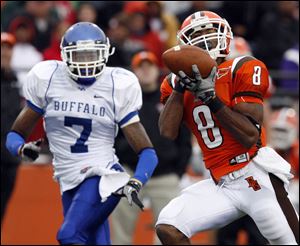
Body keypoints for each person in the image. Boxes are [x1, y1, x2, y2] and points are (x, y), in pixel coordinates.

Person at [5, 22, 158, 245]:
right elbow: (15, 134)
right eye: (80, 56)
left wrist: (136, 181)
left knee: (69, 235)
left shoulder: (116, 84)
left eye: (92, 55)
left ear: (106, 53)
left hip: (103, 176)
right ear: (65, 55)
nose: (87, 62)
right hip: (68, 178)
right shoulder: (48, 79)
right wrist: (21, 148)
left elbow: (147, 152)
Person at [155, 11, 299, 245]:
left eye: (209, 31)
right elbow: (167, 133)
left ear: (224, 35)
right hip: (219, 182)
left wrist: (211, 98)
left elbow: (249, 136)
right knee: (169, 226)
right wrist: (181, 87)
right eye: (196, 34)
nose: (203, 38)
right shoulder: (172, 83)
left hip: (254, 174)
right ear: (185, 44)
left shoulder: (242, 67)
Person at [111, 51, 191, 245]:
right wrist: (124, 156)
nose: (146, 71)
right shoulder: (125, 99)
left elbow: (184, 138)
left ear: (157, 70)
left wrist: (176, 171)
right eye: (141, 66)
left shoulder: (170, 98)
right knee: (120, 231)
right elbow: (113, 136)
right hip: (131, 172)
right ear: (134, 71)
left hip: (165, 175)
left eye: (150, 66)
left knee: (169, 231)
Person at [1, 32, 21, 224]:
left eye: (8, 48)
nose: (5, 52)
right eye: (1, 47)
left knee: (3, 207)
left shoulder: (14, 81)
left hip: (9, 159)